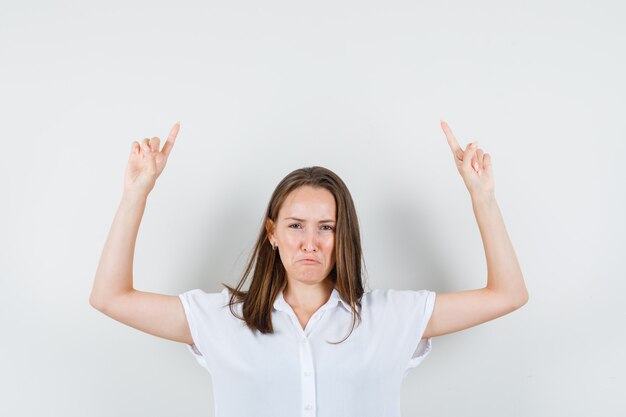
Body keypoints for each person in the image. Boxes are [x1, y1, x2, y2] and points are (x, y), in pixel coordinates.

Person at [89, 121, 529, 417]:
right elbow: (110, 298)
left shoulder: (390, 319)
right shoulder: (222, 320)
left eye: (326, 228)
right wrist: (136, 194)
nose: (310, 242)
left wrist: (482, 197)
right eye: (295, 225)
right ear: (273, 233)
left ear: (344, 237)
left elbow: (508, 294)